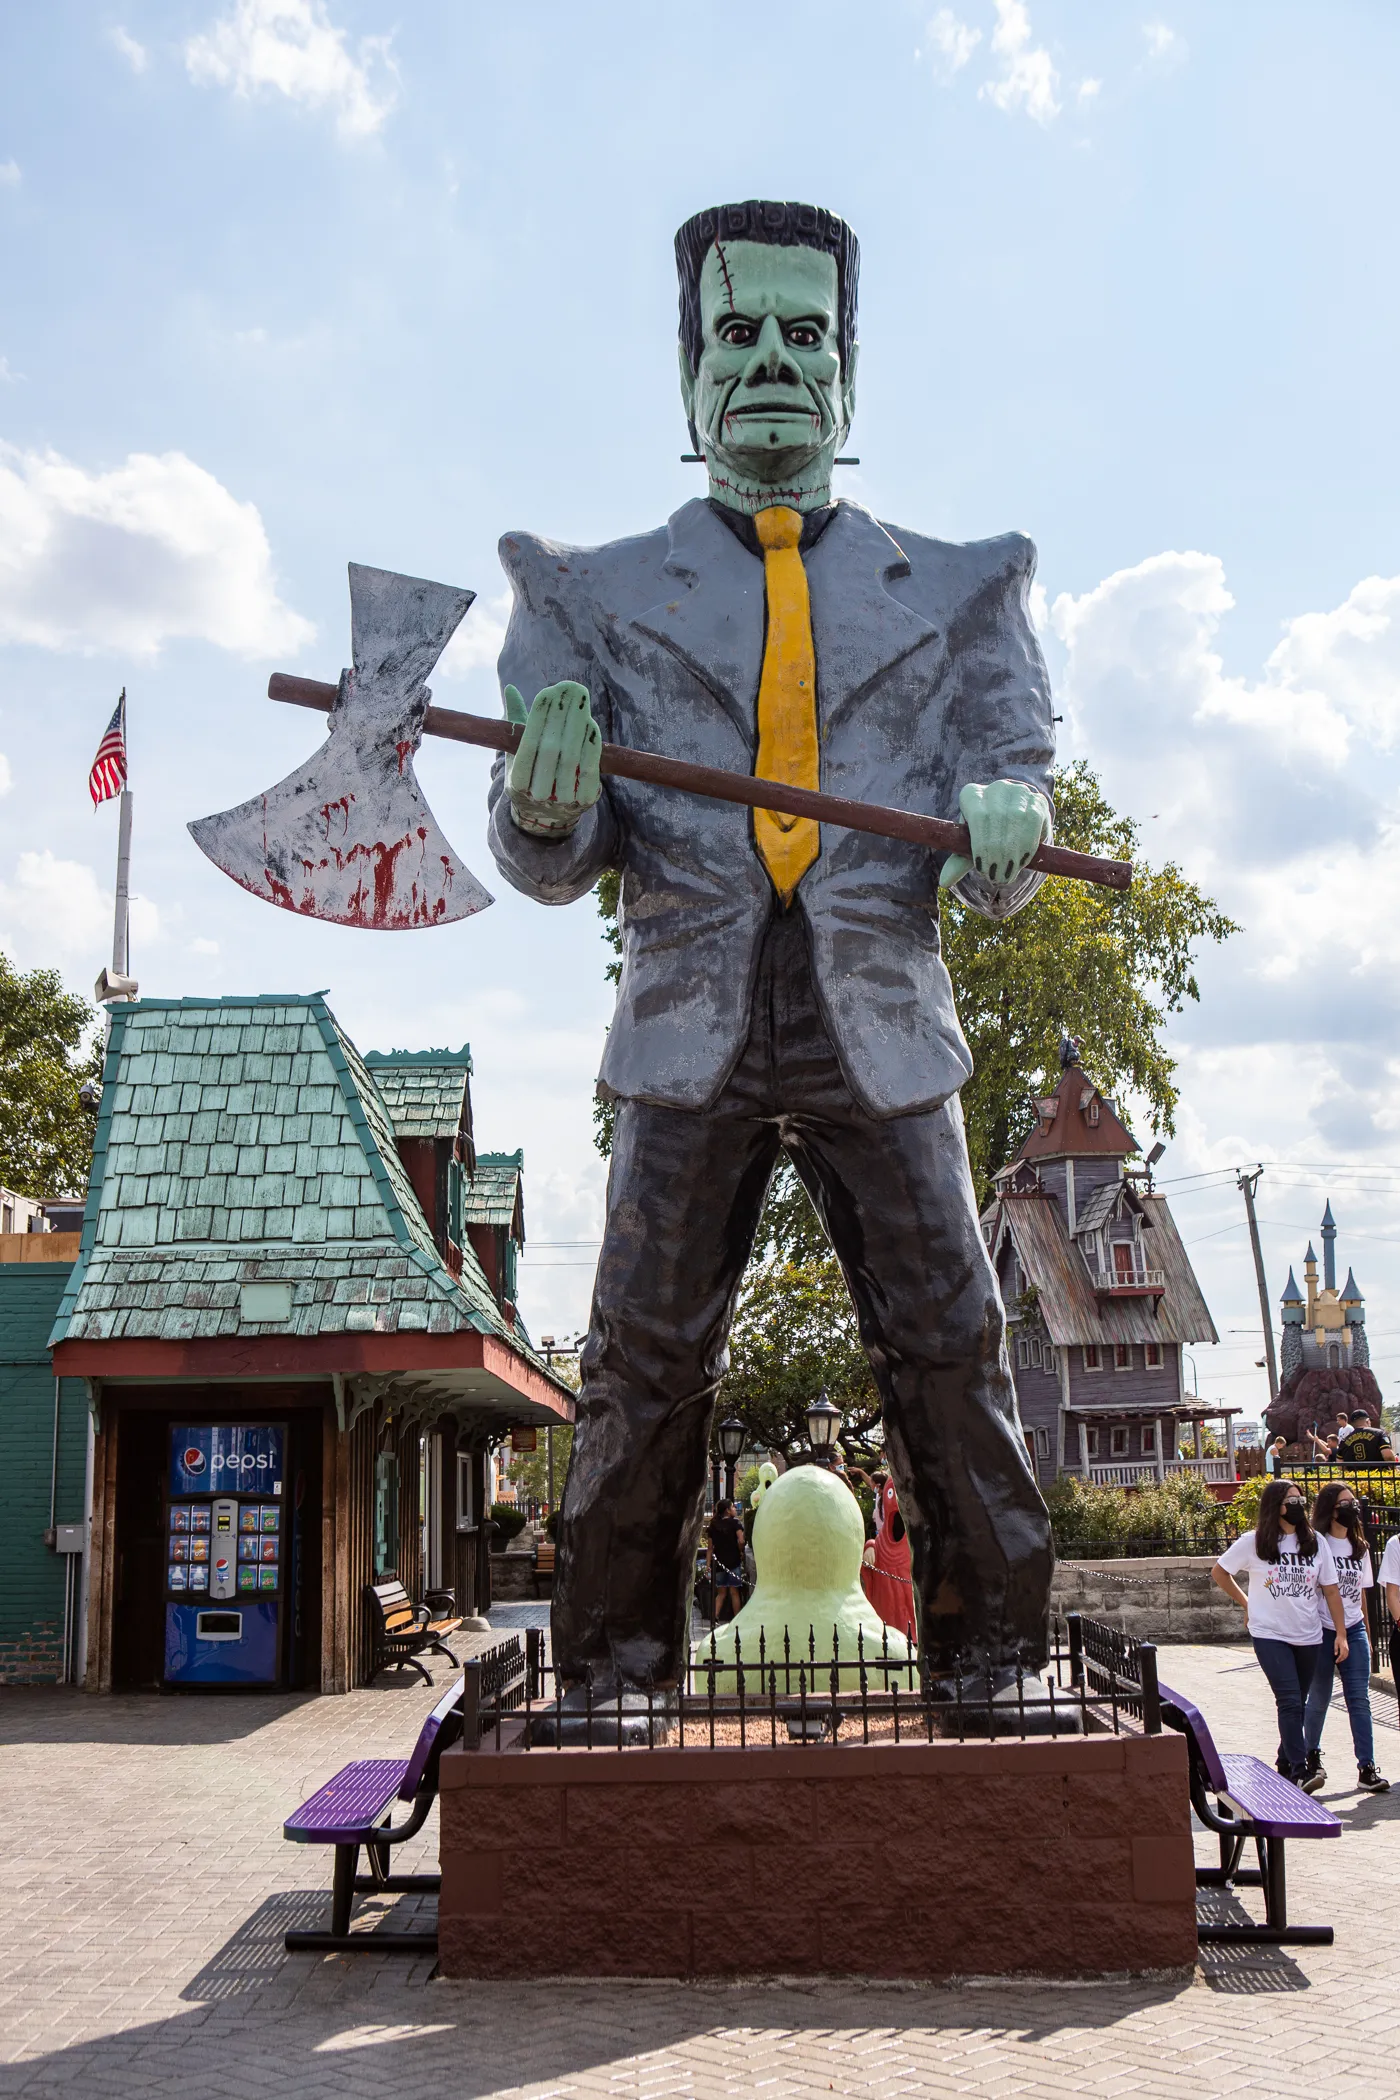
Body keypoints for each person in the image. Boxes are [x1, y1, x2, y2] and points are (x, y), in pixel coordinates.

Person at [490, 198, 1058, 1704]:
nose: (772, 366)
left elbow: (1014, 802)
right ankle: (610, 1673)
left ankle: (999, 1657)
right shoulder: (579, 593)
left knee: (950, 1342)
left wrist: (1007, 818)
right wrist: (545, 804)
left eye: (808, 336)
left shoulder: (970, 586)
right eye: (735, 334)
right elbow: (549, 859)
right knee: (642, 1362)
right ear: (685, 375)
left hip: (883, 1017)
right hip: (690, 1021)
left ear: (852, 377)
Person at [1212, 1478, 1346, 1784]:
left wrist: (1340, 1632)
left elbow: (1331, 1591)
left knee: (1297, 1701)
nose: (1298, 1506)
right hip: (1269, 1634)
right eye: (1291, 1501)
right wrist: (1246, 1603)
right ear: (1276, 1506)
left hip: (1308, 1635)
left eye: (1301, 1500)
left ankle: (1285, 1762)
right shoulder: (1255, 1541)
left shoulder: (1315, 1542)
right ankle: (1300, 1771)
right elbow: (1220, 1572)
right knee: (1288, 1700)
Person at [1300, 1481, 1389, 1792]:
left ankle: (1366, 1766)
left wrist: (1361, 1627)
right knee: (1320, 1697)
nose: (1352, 1508)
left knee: (1359, 1699)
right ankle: (1310, 1756)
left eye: (1354, 1503)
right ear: (1330, 1509)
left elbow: (1362, 1595)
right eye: (1345, 1503)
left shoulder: (1359, 1547)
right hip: (1321, 1631)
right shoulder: (1316, 1543)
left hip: (1353, 1629)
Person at [706, 1500, 746, 1623]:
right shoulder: (735, 1523)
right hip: (733, 1561)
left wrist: (708, 1565)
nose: (735, 1509)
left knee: (721, 1593)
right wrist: (740, 1551)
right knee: (734, 1592)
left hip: (719, 1564)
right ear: (728, 1510)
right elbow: (741, 1541)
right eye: (733, 1507)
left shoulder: (714, 1525)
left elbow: (710, 1548)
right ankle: (736, 1620)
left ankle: (714, 1617)